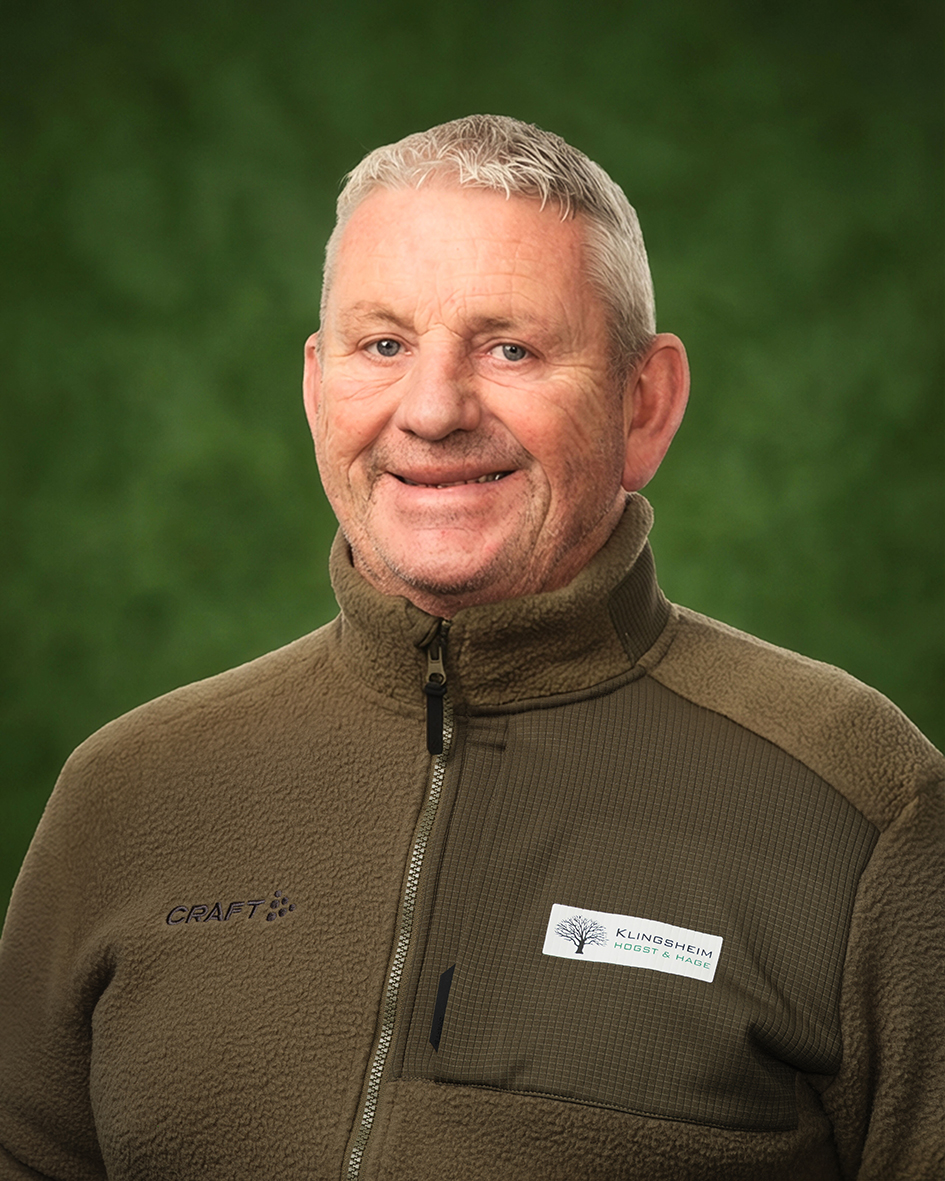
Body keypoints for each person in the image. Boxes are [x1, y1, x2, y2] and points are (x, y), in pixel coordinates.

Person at [0, 115, 941, 1181]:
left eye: (510, 348)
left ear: (644, 403)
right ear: (316, 389)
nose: (434, 409)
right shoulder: (127, 792)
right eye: (384, 345)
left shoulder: (859, 799)